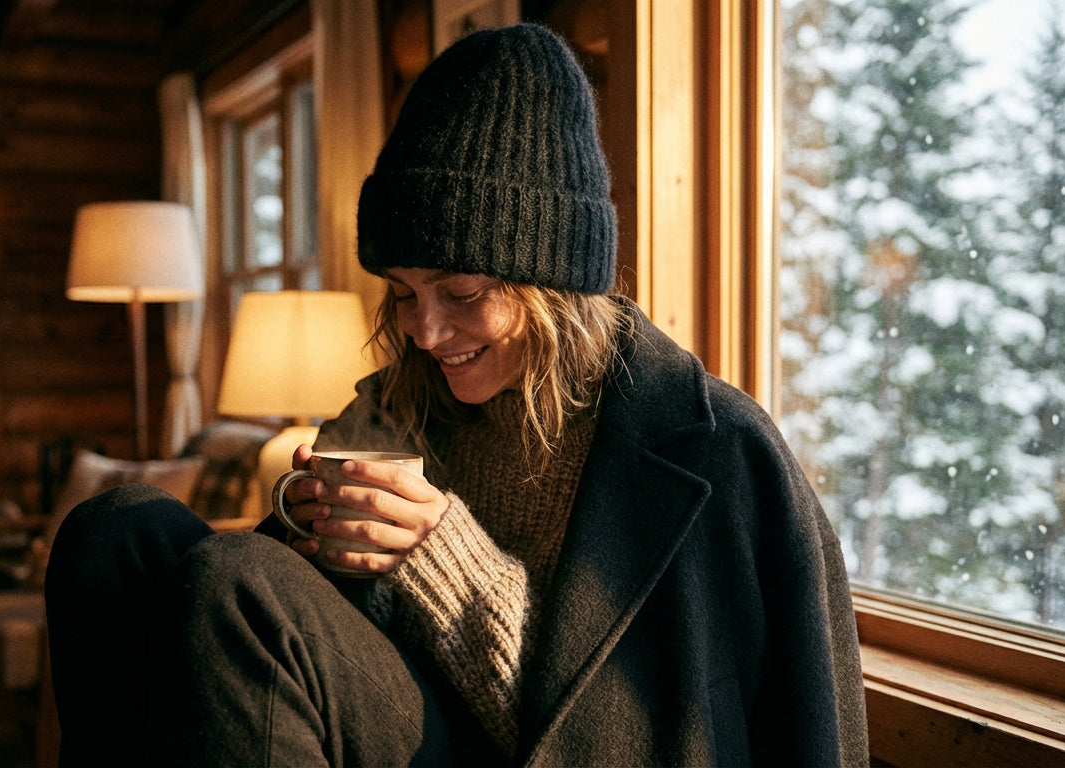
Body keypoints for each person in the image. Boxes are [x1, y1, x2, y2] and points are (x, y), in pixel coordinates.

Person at [45, 22, 869, 767]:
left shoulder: (716, 448)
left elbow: (637, 737)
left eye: (462, 292)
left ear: (553, 283)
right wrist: (308, 527)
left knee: (237, 577)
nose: (425, 330)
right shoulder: (400, 402)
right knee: (115, 531)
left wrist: (440, 556)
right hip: (384, 720)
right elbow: (270, 631)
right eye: (402, 293)